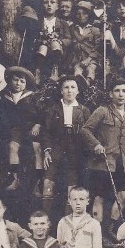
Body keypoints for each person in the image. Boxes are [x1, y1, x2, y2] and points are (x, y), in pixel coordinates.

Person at [82, 79, 125, 228]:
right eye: (117, 91)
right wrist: (96, 144)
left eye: (124, 91)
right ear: (110, 94)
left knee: (124, 194)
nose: (120, 94)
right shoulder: (102, 111)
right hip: (103, 162)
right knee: (99, 197)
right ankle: (98, 230)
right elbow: (85, 130)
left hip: (123, 163)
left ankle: (111, 227)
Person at [0, 66, 42, 200]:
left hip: (31, 128)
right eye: (15, 80)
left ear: (26, 83)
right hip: (15, 130)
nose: (18, 84)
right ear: (10, 81)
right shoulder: (3, 96)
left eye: (22, 81)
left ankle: (38, 183)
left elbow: (42, 113)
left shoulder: (33, 96)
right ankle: (15, 178)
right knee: (12, 147)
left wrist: (38, 124)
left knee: (37, 148)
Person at [39, 77, 91, 220]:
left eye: (72, 87)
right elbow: (46, 132)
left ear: (78, 91)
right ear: (61, 91)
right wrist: (47, 151)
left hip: (75, 150)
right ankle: (45, 222)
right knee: (48, 183)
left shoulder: (84, 110)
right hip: (56, 147)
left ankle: (69, 224)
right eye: (66, 87)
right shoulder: (53, 109)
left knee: (72, 187)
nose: (69, 90)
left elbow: (89, 133)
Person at [34, 0, 73, 82]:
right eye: (46, 2)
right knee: (42, 48)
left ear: (57, 6)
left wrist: (60, 42)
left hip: (57, 50)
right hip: (42, 49)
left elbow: (69, 40)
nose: (49, 5)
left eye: (52, 2)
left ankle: (55, 69)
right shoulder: (38, 22)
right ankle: (38, 70)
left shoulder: (63, 23)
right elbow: (33, 38)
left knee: (55, 44)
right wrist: (40, 40)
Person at [69, 0, 103, 83]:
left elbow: (98, 47)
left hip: (91, 59)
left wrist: (89, 59)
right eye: (78, 13)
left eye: (84, 13)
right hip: (77, 60)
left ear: (89, 15)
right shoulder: (72, 28)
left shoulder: (94, 30)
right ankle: (79, 83)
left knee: (90, 69)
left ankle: (88, 84)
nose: (81, 16)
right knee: (77, 70)